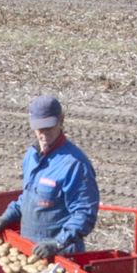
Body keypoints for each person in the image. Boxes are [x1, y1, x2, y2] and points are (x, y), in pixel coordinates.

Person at [14, 95, 100, 257]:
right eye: (40, 128)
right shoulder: (31, 156)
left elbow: (84, 213)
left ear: (61, 120)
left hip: (62, 255)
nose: (44, 134)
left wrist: (57, 243)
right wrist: (7, 216)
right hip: (31, 250)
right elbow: (28, 197)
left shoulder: (75, 164)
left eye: (49, 127)